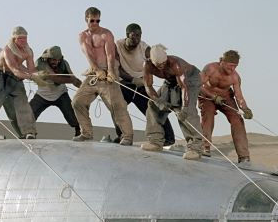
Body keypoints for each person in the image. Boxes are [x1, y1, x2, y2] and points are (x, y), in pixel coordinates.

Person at [71, 7, 133, 145]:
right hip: (94, 73)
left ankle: (127, 136)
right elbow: (88, 54)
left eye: (97, 20)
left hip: (108, 71)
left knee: (116, 105)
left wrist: (110, 71)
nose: (95, 23)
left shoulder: (106, 34)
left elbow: (110, 55)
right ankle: (86, 133)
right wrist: (97, 70)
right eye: (92, 20)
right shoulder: (83, 36)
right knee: (77, 102)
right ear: (86, 19)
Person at [110, 23, 175, 145]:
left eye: (139, 36)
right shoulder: (117, 46)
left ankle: (169, 138)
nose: (137, 39)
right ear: (127, 35)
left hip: (141, 84)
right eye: (134, 36)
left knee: (154, 109)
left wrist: (146, 79)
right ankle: (122, 136)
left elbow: (156, 62)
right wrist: (132, 80)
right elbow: (117, 69)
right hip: (125, 84)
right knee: (116, 108)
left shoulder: (144, 48)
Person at [141, 44, 202, 160]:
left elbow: (184, 87)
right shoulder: (147, 65)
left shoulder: (176, 64)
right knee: (153, 105)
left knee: (185, 111)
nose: (162, 66)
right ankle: (155, 141)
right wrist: (159, 101)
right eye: (159, 65)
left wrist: (184, 107)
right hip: (170, 81)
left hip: (190, 80)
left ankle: (195, 148)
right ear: (152, 62)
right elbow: (148, 86)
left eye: (164, 63)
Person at [198, 50, 253, 162]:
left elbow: (239, 96)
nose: (232, 69)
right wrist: (213, 97)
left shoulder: (235, 77)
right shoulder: (210, 68)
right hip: (207, 97)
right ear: (222, 61)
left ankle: (244, 156)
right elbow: (199, 85)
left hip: (226, 98)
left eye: (235, 66)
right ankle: (205, 147)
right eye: (230, 65)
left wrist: (245, 108)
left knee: (238, 120)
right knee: (208, 116)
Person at [29, 46, 82, 137]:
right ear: (47, 58)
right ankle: (30, 132)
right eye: (53, 60)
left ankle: (79, 132)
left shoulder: (64, 63)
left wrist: (85, 88)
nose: (56, 62)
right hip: (42, 95)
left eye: (58, 60)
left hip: (61, 94)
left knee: (72, 115)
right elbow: (56, 79)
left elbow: (74, 78)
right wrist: (71, 80)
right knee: (29, 114)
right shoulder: (41, 63)